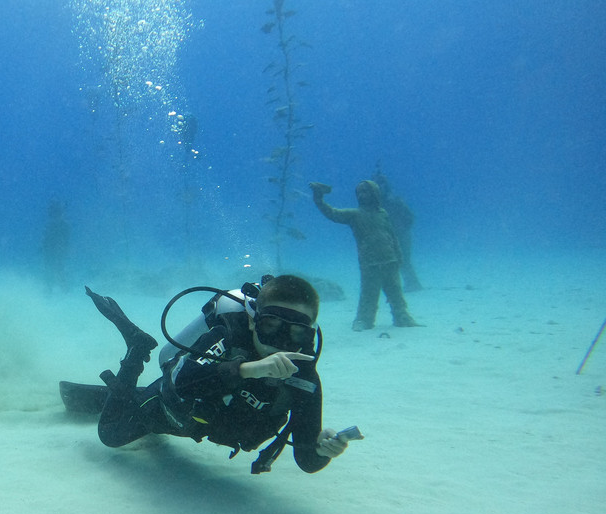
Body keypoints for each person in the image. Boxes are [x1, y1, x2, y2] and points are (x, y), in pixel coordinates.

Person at [74, 275, 349, 473]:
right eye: (272, 325)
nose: (281, 341)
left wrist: (323, 451)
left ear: (309, 335)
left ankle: (120, 395)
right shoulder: (228, 336)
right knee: (110, 434)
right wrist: (249, 370)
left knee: (126, 407)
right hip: (168, 409)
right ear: (253, 321)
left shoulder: (303, 378)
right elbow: (180, 383)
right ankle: (137, 348)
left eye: (297, 332)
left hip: (204, 423)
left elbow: (306, 459)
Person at [308, 179, 419, 331]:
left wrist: (399, 256)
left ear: (375, 194)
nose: (361, 195)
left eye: (365, 191)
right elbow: (332, 213)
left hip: (390, 261)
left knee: (396, 293)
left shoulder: (383, 214)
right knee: (369, 295)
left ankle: (402, 316)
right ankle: (364, 320)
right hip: (370, 264)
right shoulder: (355, 215)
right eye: (359, 192)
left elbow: (391, 236)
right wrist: (318, 198)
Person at [374, 171, 423, 292]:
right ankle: (398, 286)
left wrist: (402, 231)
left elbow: (410, 218)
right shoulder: (376, 206)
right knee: (392, 262)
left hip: (401, 236)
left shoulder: (395, 202)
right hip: (388, 237)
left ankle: (412, 284)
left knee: (404, 261)